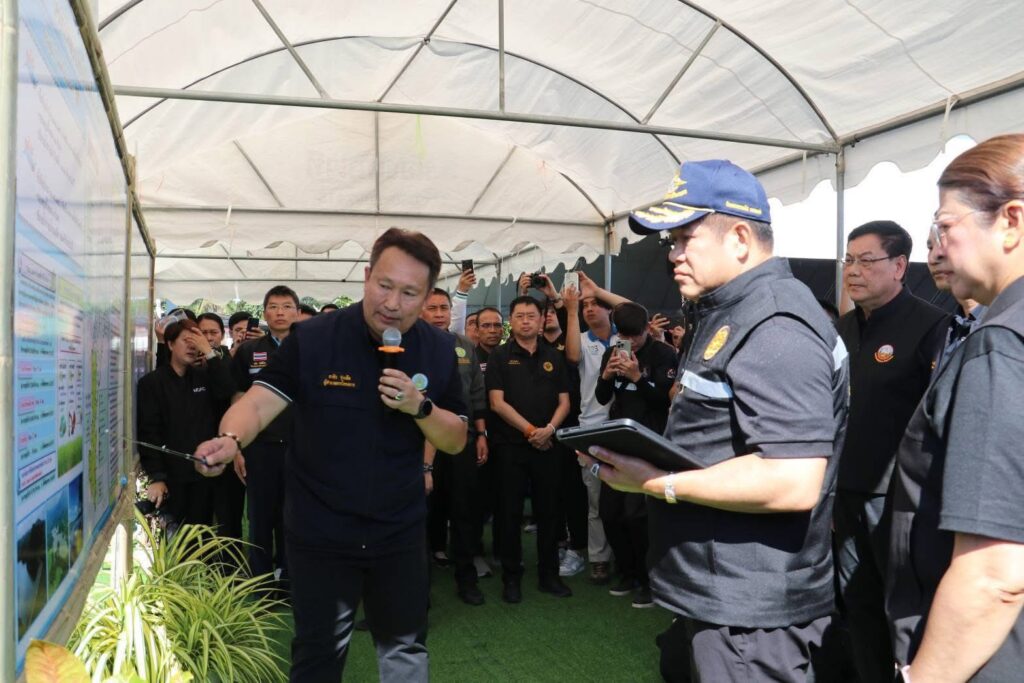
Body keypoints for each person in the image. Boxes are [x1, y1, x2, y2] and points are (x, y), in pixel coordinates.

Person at [580, 159, 849, 681]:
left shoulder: (774, 323)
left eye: (685, 239)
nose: (672, 255)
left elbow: (792, 479)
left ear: (740, 238)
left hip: (751, 611)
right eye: (671, 242)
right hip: (724, 594)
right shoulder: (732, 308)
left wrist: (657, 482)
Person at [194, 228, 467, 682]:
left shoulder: (438, 349)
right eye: (384, 285)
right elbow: (259, 402)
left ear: (427, 297)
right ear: (366, 277)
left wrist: (419, 407)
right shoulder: (314, 338)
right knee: (317, 654)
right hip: (319, 530)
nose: (392, 303)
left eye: (408, 293)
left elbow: (455, 438)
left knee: (405, 650)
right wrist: (230, 438)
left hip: (398, 530)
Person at [886, 134, 1024, 682]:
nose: (938, 248)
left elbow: (994, 575)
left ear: (1011, 221)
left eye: (946, 226)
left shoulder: (1002, 344)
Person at [834, 221, 947, 682]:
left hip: (901, 502)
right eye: (849, 260)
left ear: (899, 266)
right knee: (856, 604)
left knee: (902, 611)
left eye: (866, 260)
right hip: (844, 493)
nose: (853, 271)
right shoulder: (841, 330)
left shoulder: (931, 326)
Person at [486, 295, 572, 603]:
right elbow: (497, 403)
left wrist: (549, 430)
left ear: (541, 319)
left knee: (549, 512)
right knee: (510, 513)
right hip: (510, 447)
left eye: (531, 316)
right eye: (519, 316)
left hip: (548, 445)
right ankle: (512, 577)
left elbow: (565, 402)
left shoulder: (554, 356)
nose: (526, 321)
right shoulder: (499, 356)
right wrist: (531, 431)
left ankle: (549, 575)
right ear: (511, 321)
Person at [594, 302, 676, 608]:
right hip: (618, 437)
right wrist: (606, 375)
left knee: (638, 515)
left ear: (647, 329)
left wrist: (637, 377)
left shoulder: (664, 354)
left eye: (636, 335)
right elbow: (602, 397)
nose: (631, 341)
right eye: (624, 335)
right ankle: (627, 572)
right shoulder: (613, 352)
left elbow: (664, 401)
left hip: (650, 438)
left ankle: (649, 580)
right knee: (610, 511)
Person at [420, 287, 490, 605]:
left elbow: (476, 392)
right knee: (420, 515)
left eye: (443, 308)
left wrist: (481, 434)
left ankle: (466, 579)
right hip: (420, 443)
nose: (438, 314)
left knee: (464, 510)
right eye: (432, 308)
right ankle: (416, 588)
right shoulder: (408, 344)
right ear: (420, 311)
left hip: (462, 439)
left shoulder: (464, 346)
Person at [231, 286, 300, 591]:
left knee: (292, 516)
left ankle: (287, 578)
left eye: (287, 306)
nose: (280, 312)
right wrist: (237, 445)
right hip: (259, 448)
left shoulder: (310, 348)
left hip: (299, 448)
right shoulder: (249, 350)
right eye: (273, 306)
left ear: (297, 312)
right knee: (259, 516)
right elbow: (238, 396)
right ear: (264, 313)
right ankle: (260, 581)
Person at [137, 319, 235, 528]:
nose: (192, 347)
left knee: (202, 531)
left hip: (204, 472)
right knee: (176, 534)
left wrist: (209, 353)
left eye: (196, 342)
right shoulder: (152, 383)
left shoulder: (204, 377)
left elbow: (227, 391)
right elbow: (148, 432)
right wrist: (157, 476)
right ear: (170, 344)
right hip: (172, 475)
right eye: (186, 341)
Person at [565, 272, 627, 584]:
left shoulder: (624, 338)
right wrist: (571, 309)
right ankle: (599, 558)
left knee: (629, 500)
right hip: (591, 428)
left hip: (625, 427)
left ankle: (627, 559)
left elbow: (634, 311)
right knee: (596, 501)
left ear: (609, 309)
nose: (589, 309)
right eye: (585, 305)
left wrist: (598, 289)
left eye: (595, 304)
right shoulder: (581, 339)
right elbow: (572, 355)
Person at [196, 313, 245, 545]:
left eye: (213, 332)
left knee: (229, 515)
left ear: (223, 335)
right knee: (199, 516)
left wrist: (210, 355)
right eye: (203, 333)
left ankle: (230, 562)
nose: (208, 337)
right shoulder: (188, 362)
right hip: (197, 450)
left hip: (226, 447)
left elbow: (227, 390)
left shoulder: (230, 360)